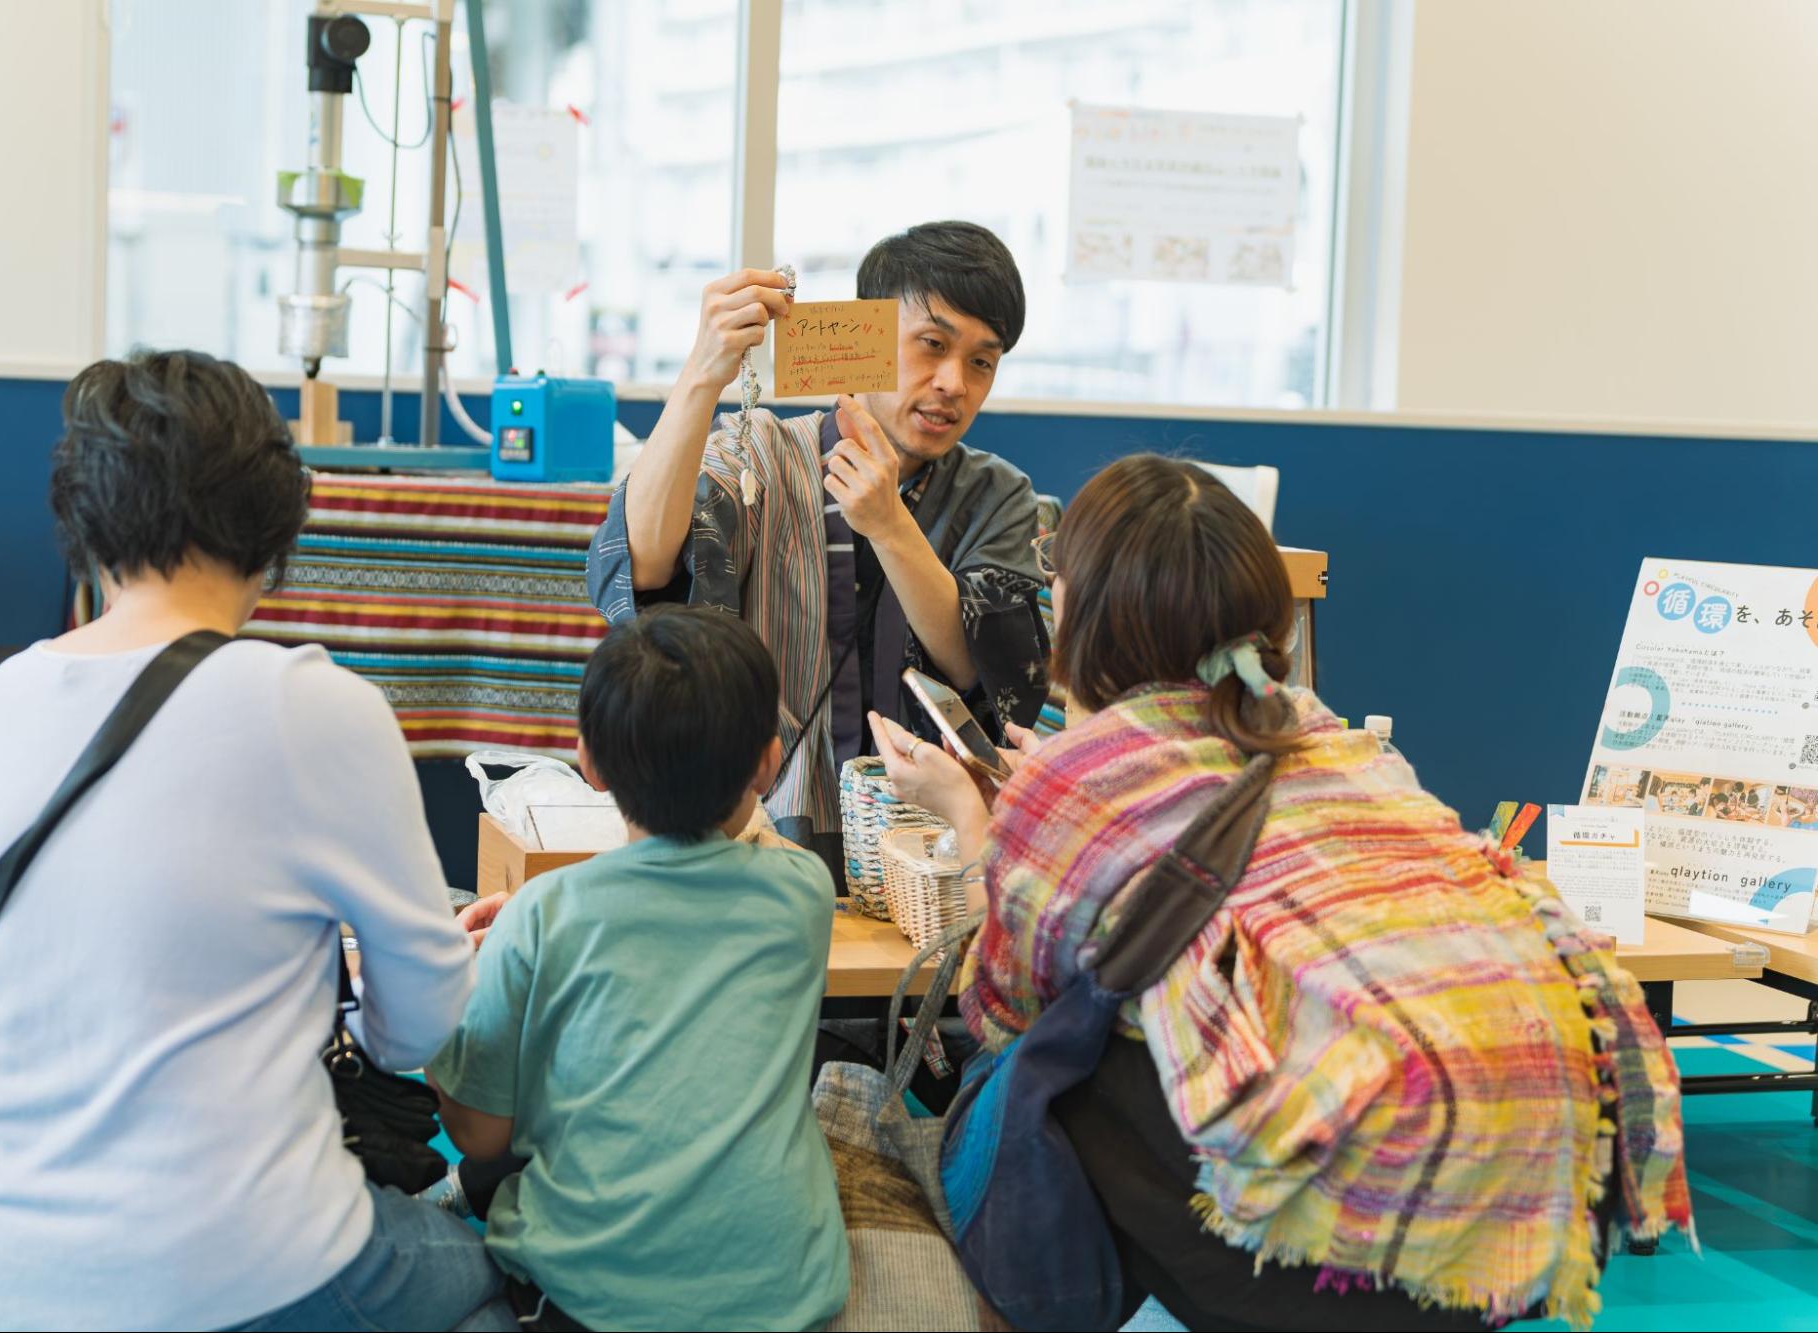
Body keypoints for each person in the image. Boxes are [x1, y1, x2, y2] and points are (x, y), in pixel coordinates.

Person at [870, 453, 1690, 1330]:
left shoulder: (1078, 779)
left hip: (1337, 1226)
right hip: (1543, 1161)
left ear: (1081, 608)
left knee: (1046, 1064)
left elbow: (1000, 1008)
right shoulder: (1336, 739)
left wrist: (978, 820)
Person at [0, 351, 503, 1332]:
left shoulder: (7, 694)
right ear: (274, 518)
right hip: (249, 1262)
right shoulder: (316, 706)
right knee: (487, 1273)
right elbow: (418, 1023)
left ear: (83, 519)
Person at [586, 221, 1052, 882]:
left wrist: (890, 526)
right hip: (755, 841)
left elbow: (990, 669)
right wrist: (702, 375)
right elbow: (643, 569)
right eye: (931, 344)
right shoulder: (762, 452)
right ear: (867, 333)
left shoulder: (997, 494)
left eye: (982, 361)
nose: (954, 382)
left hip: (934, 860)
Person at [428, 606, 849, 1332]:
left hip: (596, 1299)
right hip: (789, 1292)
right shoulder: (803, 890)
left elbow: (481, 1136)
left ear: (587, 762)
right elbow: (731, 862)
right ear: (768, 762)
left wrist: (455, 1004)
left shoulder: (542, 915)